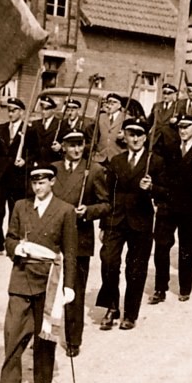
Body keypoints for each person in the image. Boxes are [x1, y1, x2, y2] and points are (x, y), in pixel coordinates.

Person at [0, 164, 77, 383]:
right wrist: (15, 247)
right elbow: (10, 237)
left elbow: (70, 251)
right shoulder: (21, 206)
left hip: (49, 277)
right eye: (34, 182)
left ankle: (42, 378)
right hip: (21, 274)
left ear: (52, 182)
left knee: (44, 330)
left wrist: (69, 285)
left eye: (42, 182)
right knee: (13, 329)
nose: (38, 187)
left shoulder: (65, 210)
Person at [97, 117, 161, 326]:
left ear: (145, 137)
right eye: (131, 133)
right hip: (116, 220)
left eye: (139, 134)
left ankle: (130, 313)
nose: (135, 138)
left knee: (135, 268)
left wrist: (151, 188)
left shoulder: (155, 162)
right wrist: (103, 225)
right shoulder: (117, 161)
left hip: (140, 221)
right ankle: (112, 306)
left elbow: (168, 193)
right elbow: (107, 195)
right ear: (124, 136)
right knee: (108, 261)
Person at [51, 131, 110, 357]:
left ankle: (73, 339)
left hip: (80, 236)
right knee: (49, 287)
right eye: (72, 145)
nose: (76, 150)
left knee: (73, 289)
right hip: (54, 237)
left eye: (80, 145)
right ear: (63, 146)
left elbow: (105, 204)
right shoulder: (53, 169)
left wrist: (88, 211)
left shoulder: (93, 170)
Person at [151, 115, 192, 302]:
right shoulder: (169, 150)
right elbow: (160, 175)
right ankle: (160, 287)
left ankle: (185, 287)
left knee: (187, 247)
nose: (183, 130)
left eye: (187, 127)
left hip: (190, 207)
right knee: (161, 245)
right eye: (180, 127)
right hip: (168, 205)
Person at [0, 98, 31, 257]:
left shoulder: (28, 130)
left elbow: (34, 154)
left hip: (17, 178)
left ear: (21, 112)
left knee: (15, 212)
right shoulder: (1, 129)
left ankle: (11, 243)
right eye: (9, 110)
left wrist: (25, 161)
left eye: (14, 110)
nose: (11, 113)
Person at [92, 93, 126, 164]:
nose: (110, 105)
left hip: (117, 156)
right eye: (109, 102)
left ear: (119, 106)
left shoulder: (126, 118)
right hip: (100, 156)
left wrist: (124, 136)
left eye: (113, 103)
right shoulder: (101, 117)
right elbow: (94, 134)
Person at [30, 95, 62, 164]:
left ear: (53, 109)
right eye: (42, 109)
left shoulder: (60, 124)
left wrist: (60, 147)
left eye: (46, 109)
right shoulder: (35, 124)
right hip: (37, 162)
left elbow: (64, 143)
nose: (43, 112)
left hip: (53, 162)